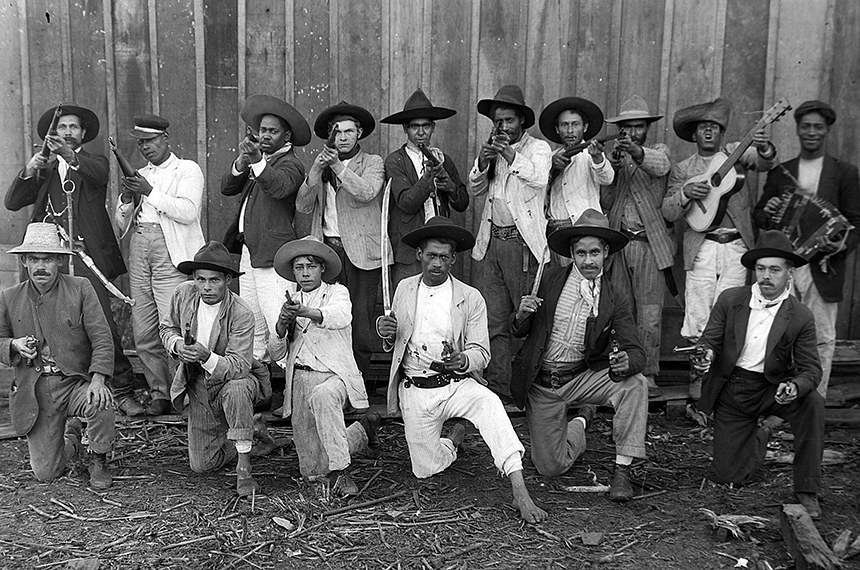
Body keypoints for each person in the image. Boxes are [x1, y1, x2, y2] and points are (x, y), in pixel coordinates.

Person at [376, 216, 547, 523]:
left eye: (444, 257)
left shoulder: (470, 297)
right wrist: (386, 331)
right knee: (424, 470)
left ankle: (520, 490)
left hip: (455, 383)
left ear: (453, 259)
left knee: (490, 403)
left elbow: (482, 351)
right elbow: (395, 340)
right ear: (420, 256)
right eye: (431, 256)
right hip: (416, 388)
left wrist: (465, 360)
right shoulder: (403, 289)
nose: (437, 264)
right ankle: (454, 439)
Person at [5, 104, 137, 415]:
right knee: (50, 318)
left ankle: (122, 388)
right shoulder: (44, 170)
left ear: (83, 134)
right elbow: (13, 202)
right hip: (52, 258)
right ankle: (63, 383)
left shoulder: (93, 163)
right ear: (54, 133)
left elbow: (100, 173)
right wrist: (29, 170)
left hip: (87, 256)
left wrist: (68, 155)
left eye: (73, 127)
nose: (68, 131)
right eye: (62, 127)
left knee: (101, 318)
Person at [511, 209, 649, 502]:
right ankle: (581, 422)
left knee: (636, 384)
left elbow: (637, 351)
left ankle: (622, 470)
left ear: (606, 252)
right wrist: (520, 315)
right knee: (550, 467)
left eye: (595, 252)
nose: (589, 260)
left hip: (581, 377)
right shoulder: (550, 280)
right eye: (582, 253)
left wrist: (627, 362)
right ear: (572, 254)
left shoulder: (614, 295)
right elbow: (521, 331)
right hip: (543, 383)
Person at [694, 231, 824, 518]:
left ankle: (806, 488)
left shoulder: (801, 315)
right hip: (734, 390)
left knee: (813, 403)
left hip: (774, 389)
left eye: (775, 269)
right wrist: (705, 355)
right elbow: (709, 340)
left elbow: (812, 369)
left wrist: (795, 386)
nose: (766, 276)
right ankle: (761, 432)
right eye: (761, 268)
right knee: (729, 477)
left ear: (789, 273)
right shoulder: (731, 300)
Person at [753, 100, 860, 398]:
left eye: (818, 127)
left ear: (827, 131)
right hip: (784, 267)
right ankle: (778, 403)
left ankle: (814, 403)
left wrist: (839, 244)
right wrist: (769, 210)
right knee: (776, 333)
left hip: (823, 266)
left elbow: (856, 222)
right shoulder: (781, 172)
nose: (811, 132)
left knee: (822, 338)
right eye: (806, 127)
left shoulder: (845, 173)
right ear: (798, 130)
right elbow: (759, 215)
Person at [0, 223, 115, 488]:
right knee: (46, 474)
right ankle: (72, 436)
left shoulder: (80, 288)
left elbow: (102, 338)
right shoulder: (9, 297)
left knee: (101, 400)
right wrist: (13, 345)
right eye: (34, 259)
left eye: (48, 259)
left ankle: (97, 457)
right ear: (25, 262)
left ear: (60, 261)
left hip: (75, 382)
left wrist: (98, 379)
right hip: (36, 391)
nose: (41, 266)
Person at [269, 236, 380, 496]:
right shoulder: (289, 300)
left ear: (322, 269)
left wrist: (305, 312)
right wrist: (282, 324)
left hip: (334, 376)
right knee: (313, 472)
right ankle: (363, 430)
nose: (305, 273)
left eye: (311, 266)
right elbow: (275, 353)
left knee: (324, 395)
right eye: (299, 267)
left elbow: (340, 317)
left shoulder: (337, 292)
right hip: (300, 380)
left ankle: (343, 473)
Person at [160, 241, 271, 497]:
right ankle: (250, 429)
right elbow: (167, 328)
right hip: (199, 382)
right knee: (201, 466)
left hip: (235, 380)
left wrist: (207, 356)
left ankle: (244, 470)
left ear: (228, 280)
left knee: (237, 389)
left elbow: (241, 366)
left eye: (214, 280)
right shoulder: (183, 294)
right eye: (200, 280)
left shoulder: (241, 312)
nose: (206, 287)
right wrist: (178, 346)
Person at [663, 97, 777, 342]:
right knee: (698, 313)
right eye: (702, 127)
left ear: (722, 133)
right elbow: (669, 211)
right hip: (701, 247)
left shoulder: (735, 155)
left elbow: (764, 162)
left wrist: (765, 147)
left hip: (735, 247)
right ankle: (698, 375)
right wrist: (685, 193)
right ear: (694, 135)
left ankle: (724, 375)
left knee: (731, 311)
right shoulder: (683, 169)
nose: (708, 131)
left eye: (714, 126)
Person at [115, 114, 206, 416]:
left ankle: (185, 392)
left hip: (171, 250)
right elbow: (121, 222)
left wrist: (148, 191)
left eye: (150, 141)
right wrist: (128, 198)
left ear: (165, 138)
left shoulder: (187, 169)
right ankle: (160, 393)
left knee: (175, 323)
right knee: (143, 327)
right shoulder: (140, 173)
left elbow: (188, 212)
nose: (145, 147)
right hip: (140, 246)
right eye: (140, 142)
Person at [468, 85, 552, 402]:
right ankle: (499, 390)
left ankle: (526, 388)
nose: (502, 126)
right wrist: (482, 161)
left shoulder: (538, 149)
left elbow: (539, 177)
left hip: (522, 246)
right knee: (493, 319)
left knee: (525, 317)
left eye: (508, 120)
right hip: (491, 245)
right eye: (498, 121)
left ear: (521, 121)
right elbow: (475, 189)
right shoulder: (491, 149)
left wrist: (508, 154)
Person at [296, 101, 389, 378]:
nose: (344, 137)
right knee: (330, 316)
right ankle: (334, 380)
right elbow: (302, 205)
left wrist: (337, 166)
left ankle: (357, 384)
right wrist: (315, 170)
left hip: (362, 253)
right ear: (330, 136)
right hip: (329, 251)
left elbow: (366, 192)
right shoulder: (322, 166)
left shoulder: (373, 162)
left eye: (350, 131)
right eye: (338, 133)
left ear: (359, 132)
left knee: (360, 323)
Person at [221, 94, 311, 371]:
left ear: (287, 136)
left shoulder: (291, 164)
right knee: (254, 324)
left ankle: (295, 387)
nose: (266, 136)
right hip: (250, 251)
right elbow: (227, 187)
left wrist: (258, 161)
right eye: (262, 131)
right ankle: (260, 388)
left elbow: (279, 188)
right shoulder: (257, 160)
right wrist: (242, 160)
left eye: (273, 131)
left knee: (278, 324)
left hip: (274, 255)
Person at [600, 95, 674, 390]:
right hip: (619, 245)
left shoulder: (658, 150)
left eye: (638, 127)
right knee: (622, 312)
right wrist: (614, 169)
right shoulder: (616, 158)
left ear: (647, 129)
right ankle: (625, 371)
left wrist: (636, 152)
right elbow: (605, 200)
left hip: (648, 245)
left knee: (650, 313)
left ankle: (650, 373)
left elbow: (661, 166)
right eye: (626, 127)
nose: (631, 132)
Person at [380, 89, 469, 286]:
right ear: (405, 129)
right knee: (407, 303)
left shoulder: (443, 159)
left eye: (426, 126)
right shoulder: (395, 161)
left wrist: (450, 187)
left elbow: (463, 202)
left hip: (440, 248)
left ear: (433, 127)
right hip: (408, 249)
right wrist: (428, 177)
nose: (421, 132)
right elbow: (406, 203)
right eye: (414, 127)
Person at [539, 96, 614, 225]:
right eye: (564, 125)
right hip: (554, 226)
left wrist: (598, 158)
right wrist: (550, 165)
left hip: (583, 226)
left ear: (584, 127)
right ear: (557, 129)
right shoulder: (551, 156)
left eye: (575, 124)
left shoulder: (591, 154)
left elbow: (607, 179)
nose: (570, 131)